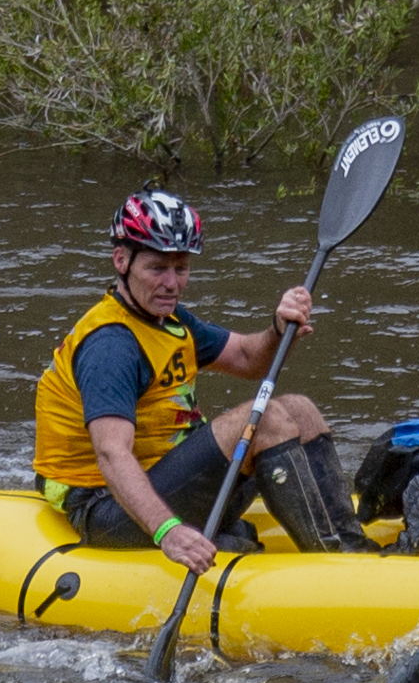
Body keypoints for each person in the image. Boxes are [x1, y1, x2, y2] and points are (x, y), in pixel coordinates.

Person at [31, 191, 370, 564]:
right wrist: (167, 531)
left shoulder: (171, 321)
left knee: (299, 409)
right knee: (267, 418)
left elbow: (246, 358)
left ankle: (351, 544)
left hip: (167, 481)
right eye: (157, 268)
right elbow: (112, 454)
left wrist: (277, 329)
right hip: (108, 510)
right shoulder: (111, 346)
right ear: (121, 260)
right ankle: (334, 565)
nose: (172, 283)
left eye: (181, 268)